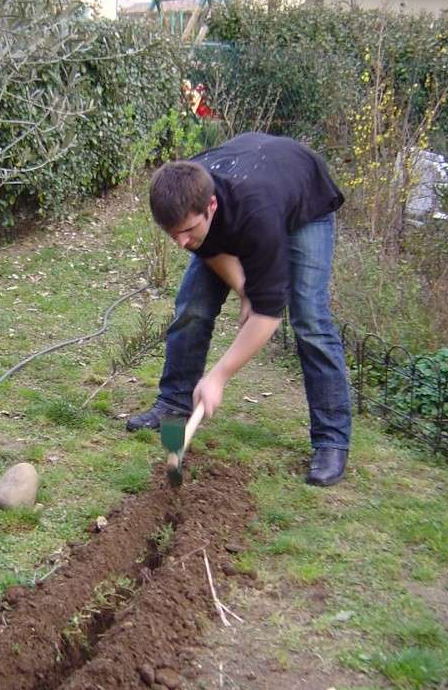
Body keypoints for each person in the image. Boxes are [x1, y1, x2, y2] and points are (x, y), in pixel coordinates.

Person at [127, 132, 351, 486]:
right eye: (172, 235)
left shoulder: (257, 215)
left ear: (211, 207)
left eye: (186, 231)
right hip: (250, 191)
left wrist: (218, 376)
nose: (181, 242)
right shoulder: (186, 190)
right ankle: (173, 404)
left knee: (310, 320)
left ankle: (331, 440)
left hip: (305, 203)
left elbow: (267, 315)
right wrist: (245, 289)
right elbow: (209, 247)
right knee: (193, 307)